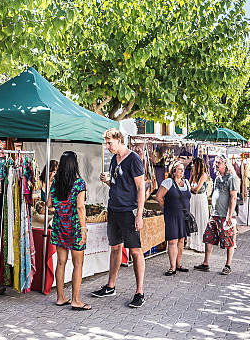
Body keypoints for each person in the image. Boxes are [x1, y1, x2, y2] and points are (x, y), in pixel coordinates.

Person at [93, 128, 146, 308]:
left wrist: (139, 214)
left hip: (128, 211)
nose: (107, 146)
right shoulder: (114, 160)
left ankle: (139, 292)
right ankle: (111, 286)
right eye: (106, 143)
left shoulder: (133, 159)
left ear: (119, 140)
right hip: (114, 209)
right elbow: (118, 184)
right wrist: (107, 182)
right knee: (115, 248)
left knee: (135, 251)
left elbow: (141, 188)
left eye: (109, 143)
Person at [48, 151, 89, 310]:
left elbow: (49, 204)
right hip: (74, 227)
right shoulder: (79, 183)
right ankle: (75, 300)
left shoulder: (55, 183)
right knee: (78, 264)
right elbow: (80, 207)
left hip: (59, 226)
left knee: (60, 263)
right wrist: (84, 229)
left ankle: (60, 297)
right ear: (75, 164)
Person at [194, 154, 238, 275]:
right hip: (215, 214)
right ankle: (205, 263)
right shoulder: (218, 178)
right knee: (208, 237)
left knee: (228, 240)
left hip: (225, 215)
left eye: (218, 163)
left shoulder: (231, 178)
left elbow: (233, 197)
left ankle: (228, 265)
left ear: (225, 164)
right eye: (216, 163)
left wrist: (229, 215)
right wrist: (212, 210)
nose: (216, 164)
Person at [156, 161, 191, 275]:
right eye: (179, 169)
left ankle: (178, 264)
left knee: (181, 240)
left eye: (183, 169)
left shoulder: (186, 182)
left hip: (183, 216)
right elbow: (159, 197)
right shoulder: (168, 182)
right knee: (172, 240)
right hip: (172, 215)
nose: (182, 171)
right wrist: (167, 208)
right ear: (174, 171)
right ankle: (172, 267)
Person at [188, 157, 209, 252]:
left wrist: (190, 188)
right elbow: (189, 185)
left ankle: (200, 244)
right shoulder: (193, 174)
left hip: (200, 199)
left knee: (200, 220)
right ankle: (192, 243)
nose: (192, 165)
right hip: (193, 199)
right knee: (193, 219)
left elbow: (196, 189)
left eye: (193, 164)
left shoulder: (204, 175)